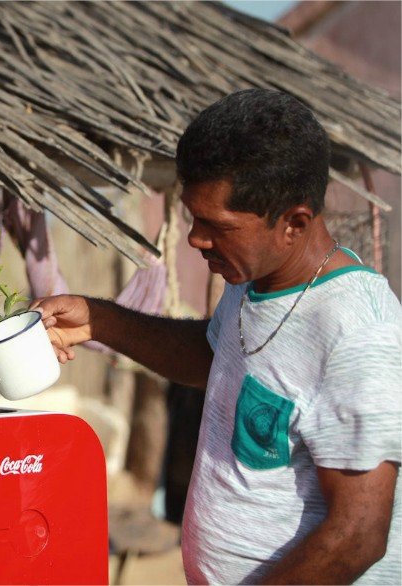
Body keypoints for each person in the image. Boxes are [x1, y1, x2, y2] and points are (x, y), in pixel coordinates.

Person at [32, 89, 401, 584]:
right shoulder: (255, 279)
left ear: (293, 223)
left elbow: (357, 535)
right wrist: (101, 321)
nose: (195, 239)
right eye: (193, 217)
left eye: (216, 225)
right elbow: (217, 357)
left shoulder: (357, 331)